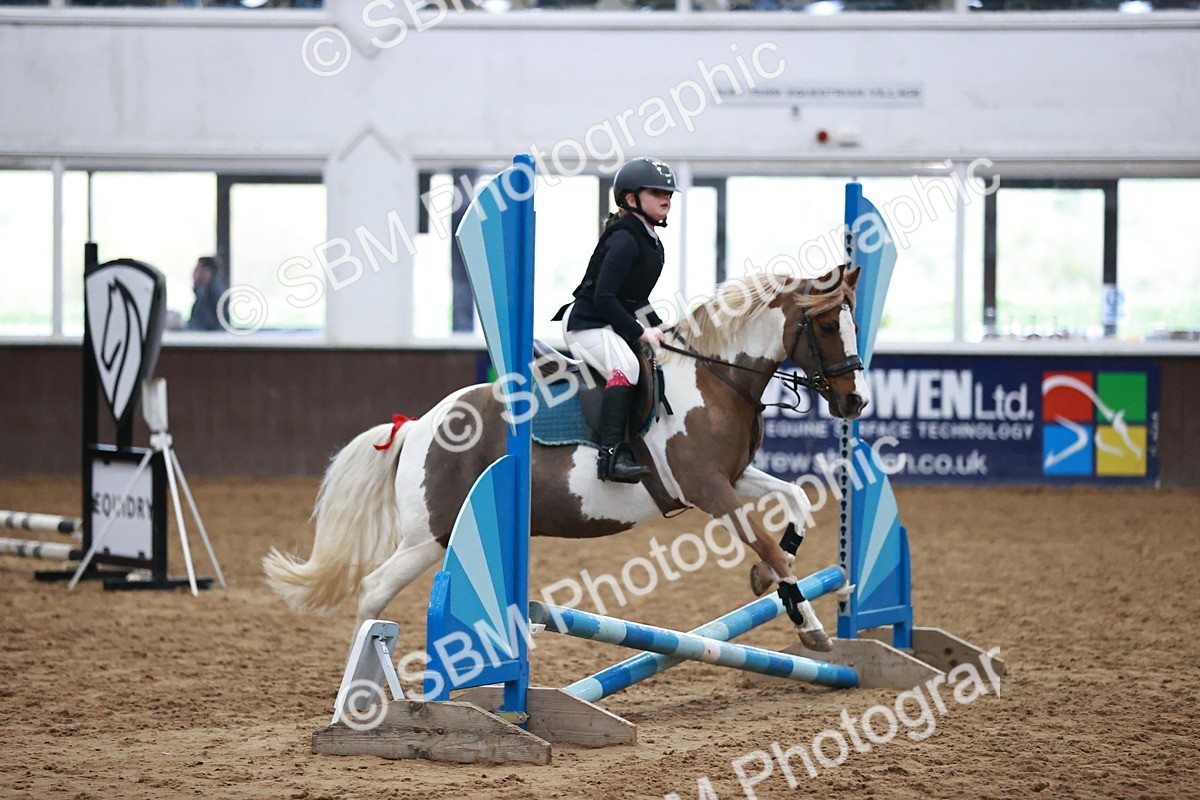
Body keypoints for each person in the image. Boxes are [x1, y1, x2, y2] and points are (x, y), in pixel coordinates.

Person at [553, 157, 677, 483]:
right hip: (586, 324)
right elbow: (603, 298)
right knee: (627, 366)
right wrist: (639, 332)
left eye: (669, 192)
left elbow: (636, 299)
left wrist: (663, 328)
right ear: (631, 198)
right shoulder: (624, 238)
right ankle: (610, 456)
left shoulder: (650, 240)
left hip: (609, 322)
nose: (666, 197)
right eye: (656, 191)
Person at [187, 255, 229, 332]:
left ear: (207, 272)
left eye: (197, 270)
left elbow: (204, 326)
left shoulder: (212, 296)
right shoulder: (203, 294)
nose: (193, 274)